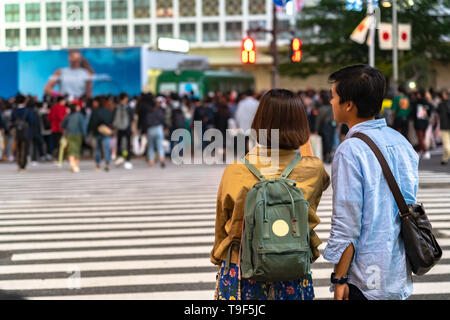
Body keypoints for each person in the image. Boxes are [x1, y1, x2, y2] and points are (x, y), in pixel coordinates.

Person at [211, 89, 330, 300]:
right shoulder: (314, 169)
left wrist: (218, 257)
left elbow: (223, 225)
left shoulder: (237, 170)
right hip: (292, 267)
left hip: (242, 269)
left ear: (260, 123)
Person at [324, 65, 419, 300]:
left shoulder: (350, 150)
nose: (330, 102)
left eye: (333, 96)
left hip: (365, 278)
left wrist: (339, 279)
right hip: (396, 272)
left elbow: (347, 224)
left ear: (349, 105)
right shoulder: (401, 142)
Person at [88, 97, 114, 171]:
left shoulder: (95, 111)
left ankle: (98, 164)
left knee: (97, 149)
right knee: (106, 149)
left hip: (97, 132)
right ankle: (107, 163)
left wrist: (89, 132)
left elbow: (91, 122)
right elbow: (111, 121)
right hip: (106, 132)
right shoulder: (108, 111)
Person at [10, 94, 33, 172]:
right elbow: (31, 120)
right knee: (25, 148)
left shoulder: (14, 110)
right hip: (26, 131)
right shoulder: (27, 110)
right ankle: (23, 165)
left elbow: (12, 120)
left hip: (17, 131)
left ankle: (19, 164)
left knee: (18, 148)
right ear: (24, 101)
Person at [61, 103, 87, 173]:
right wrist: (85, 135)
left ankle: (72, 164)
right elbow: (83, 126)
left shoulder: (68, 116)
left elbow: (62, 125)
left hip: (69, 134)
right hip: (78, 135)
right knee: (77, 149)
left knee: (71, 149)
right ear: (76, 108)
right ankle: (75, 165)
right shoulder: (80, 116)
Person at [113, 93, 134, 170]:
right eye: (126, 98)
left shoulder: (117, 108)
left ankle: (121, 157)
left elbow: (114, 119)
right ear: (124, 99)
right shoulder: (128, 108)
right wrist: (134, 129)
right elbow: (132, 120)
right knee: (126, 144)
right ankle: (126, 160)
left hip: (119, 128)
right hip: (127, 128)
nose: (127, 99)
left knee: (120, 143)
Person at [411, 89, 434, 159]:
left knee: (420, 138)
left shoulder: (417, 102)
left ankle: (425, 151)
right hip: (425, 122)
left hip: (418, 122)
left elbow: (412, 112)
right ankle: (420, 151)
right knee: (422, 138)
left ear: (419, 94)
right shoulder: (427, 102)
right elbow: (431, 110)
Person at [144, 98, 166, 168]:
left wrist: (144, 131)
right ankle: (161, 159)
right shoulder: (159, 111)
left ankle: (151, 161)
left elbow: (146, 122)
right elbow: (163, 120)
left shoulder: (148, 113)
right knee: (160, 146)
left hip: (150, 129)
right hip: (158, 128)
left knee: (151, 146)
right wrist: (165, 128)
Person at [235, 90, 259, 154]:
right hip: (253, 123)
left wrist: (238, 123)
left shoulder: (241, 103)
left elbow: (238, 114)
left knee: (245, 138)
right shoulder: (256, 102)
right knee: (253, 138)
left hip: (243, 123)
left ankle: (246, 152)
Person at [438, 89, 450, 165]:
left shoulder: (441, 104)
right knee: (447, 145)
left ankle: (444, 158)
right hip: (445, 126)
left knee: (447, 145)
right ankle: (444, 158)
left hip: (444, 126)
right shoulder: (441, 104)